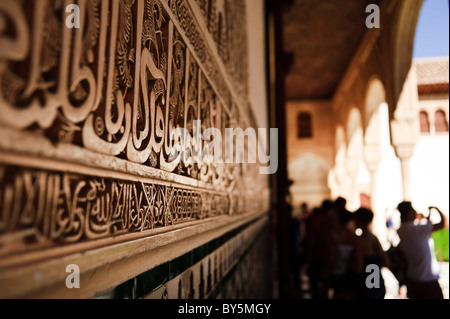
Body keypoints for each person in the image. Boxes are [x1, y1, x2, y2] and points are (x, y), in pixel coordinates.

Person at [396, 201, 449, 299]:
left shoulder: (401, 230)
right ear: (410, 213)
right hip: (426, 279)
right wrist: (436, 208)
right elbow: (444, 223)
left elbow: (420, 232)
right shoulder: (418, 230)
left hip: (412, 278)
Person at [354, 208, 389, 299]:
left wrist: (346, 261)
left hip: (367, 284)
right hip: (377, 282)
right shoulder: (374, 238)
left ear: (358, 219)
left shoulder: (360, 241)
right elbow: (386, 262)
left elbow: (358, 267)